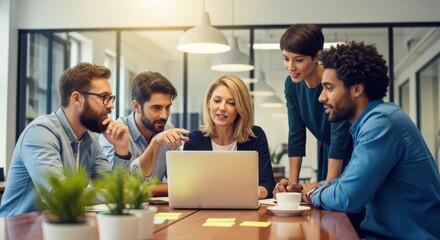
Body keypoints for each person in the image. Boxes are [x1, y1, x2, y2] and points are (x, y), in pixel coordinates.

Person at [300, 41, 440, 239]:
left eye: (329, 88)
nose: (321, 97)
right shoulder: (369, 123)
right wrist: (303, 189)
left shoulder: (381, 123)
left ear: (357, 89)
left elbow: (348, 197)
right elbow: (347, 183)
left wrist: (312, 194)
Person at [0, 62, 131, 216]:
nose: (111, 106)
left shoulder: (90, 139)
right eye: (104, 97)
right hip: (19, 231)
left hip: (62, 227)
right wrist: (114, 194)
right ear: (76, 98)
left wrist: (121, 150)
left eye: (111, 98)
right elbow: (59, 196)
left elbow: (116, 190)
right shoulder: (40, 133)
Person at [279, 24, 352, 183]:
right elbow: (296, 134)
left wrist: (327, 186)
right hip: (327, 151)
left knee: (336, 200)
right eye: (286, 59)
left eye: (298, 60)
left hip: (350, 150)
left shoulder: (335, 78)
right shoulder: (292, 85)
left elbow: (339, 138)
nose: (291, 67)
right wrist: (292, 184)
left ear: (317, 56)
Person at [183, 75, 276, 199]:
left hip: (245, 210)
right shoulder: (194, 140)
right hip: (204, 210)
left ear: (240, 108)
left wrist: (242, 195)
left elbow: (268, 185)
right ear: (208, 103)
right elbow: (186, 187)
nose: (222, 108)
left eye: (231, 103)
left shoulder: (255, 136)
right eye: (217, 100)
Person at [99, 71, 189, 196]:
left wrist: (146, 189)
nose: (164, 115)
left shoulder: (167, 129)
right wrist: (155, 143)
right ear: (136, 106)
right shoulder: (114, 134)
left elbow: (180, 183)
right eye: (156, 108)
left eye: (167, 107)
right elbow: (121, 189)